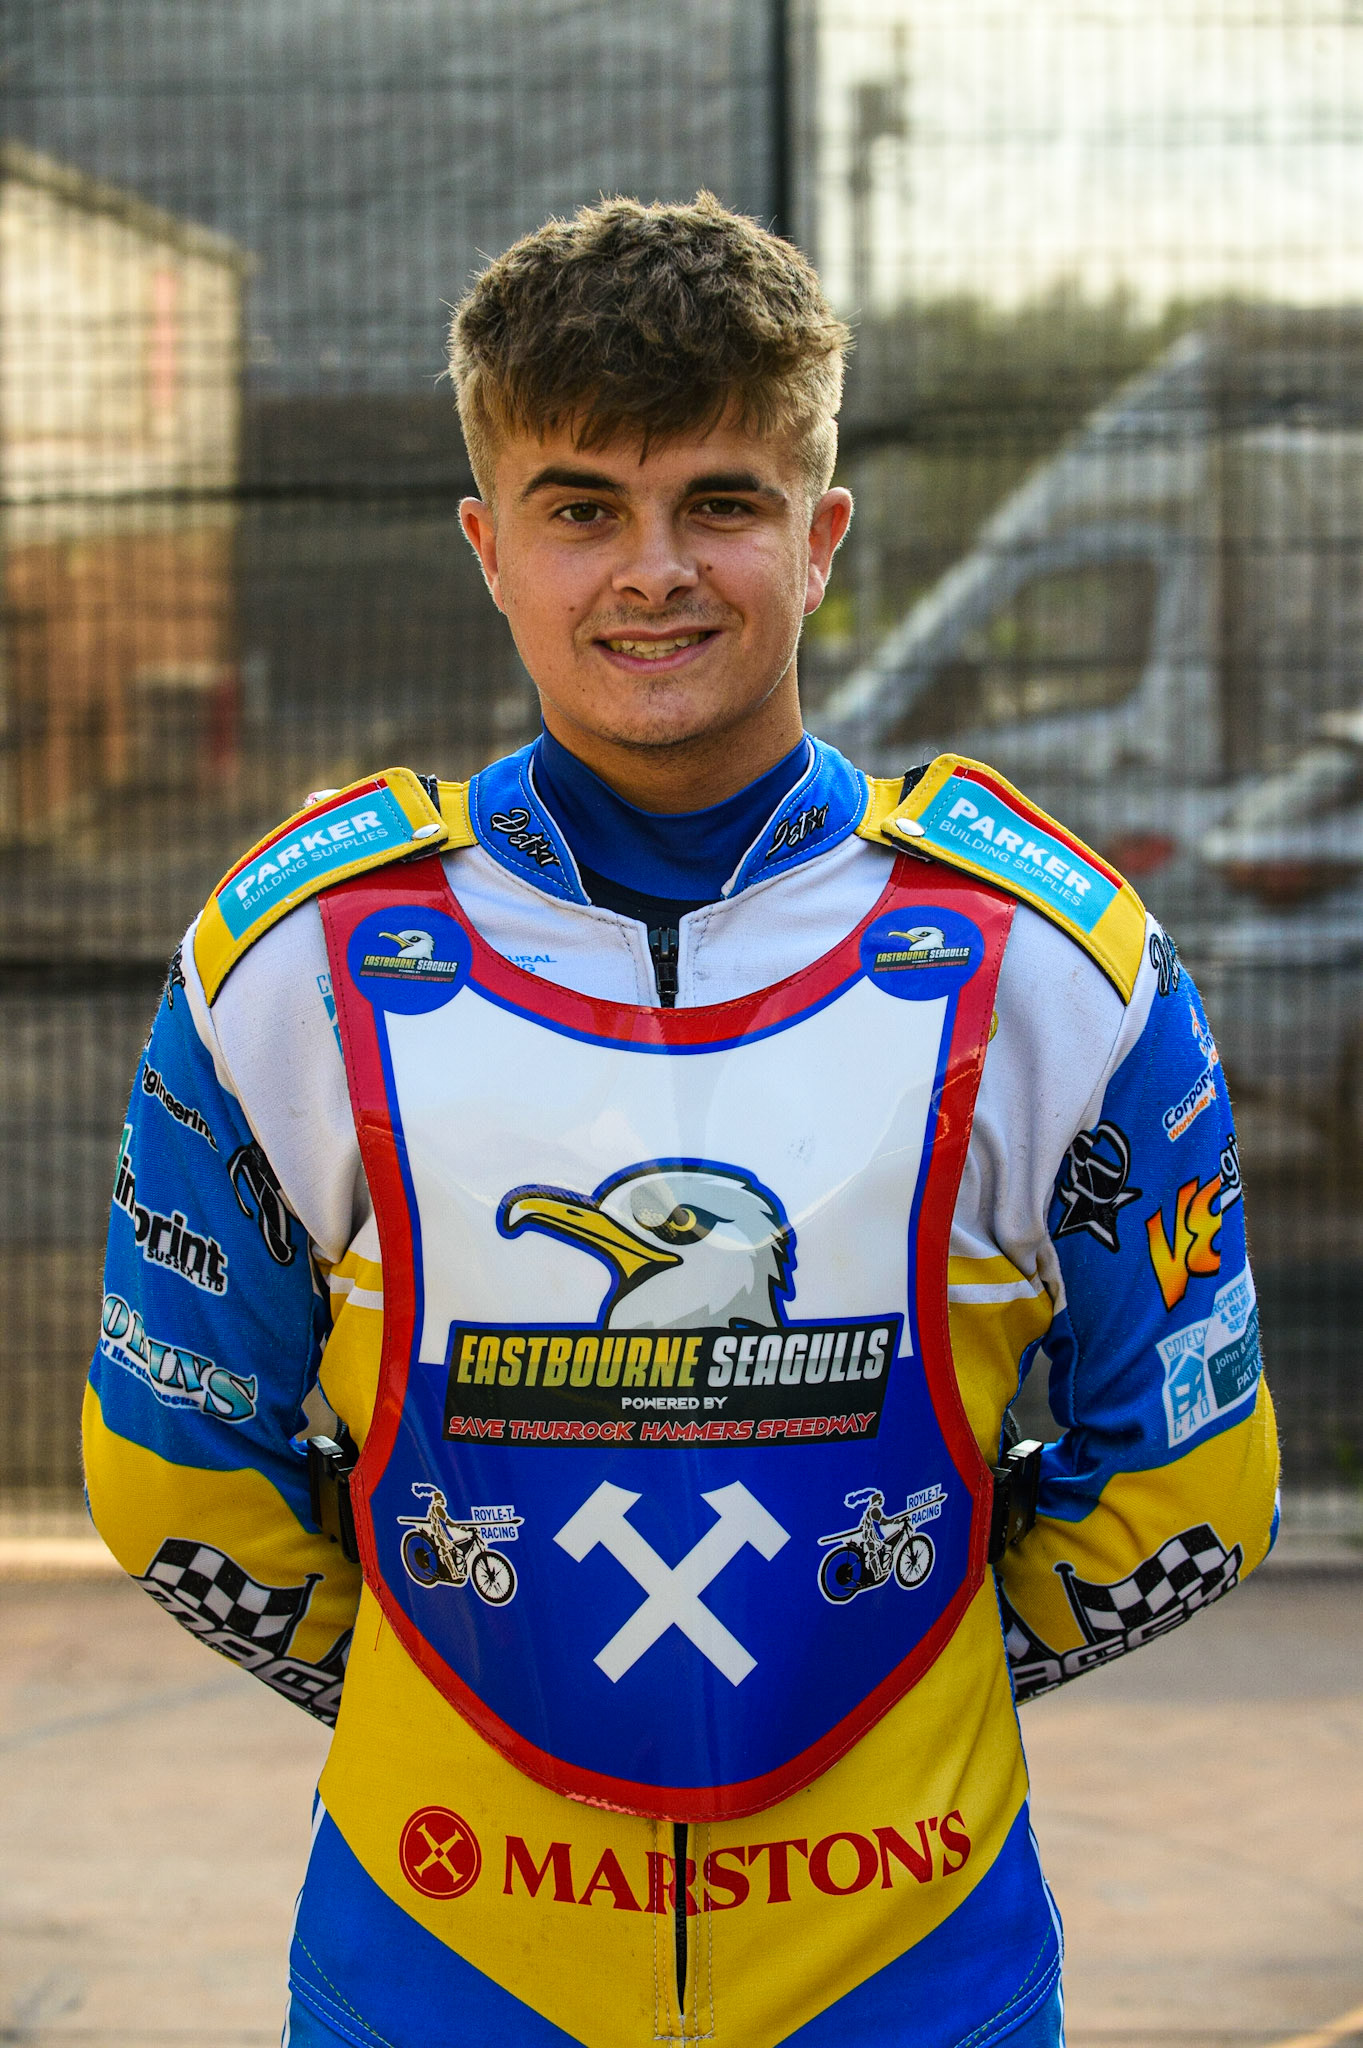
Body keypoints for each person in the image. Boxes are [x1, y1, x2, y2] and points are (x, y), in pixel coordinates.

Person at [84, 193, 1278, 2048]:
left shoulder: (1058, 966)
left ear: (824, 538)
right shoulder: (293, 964)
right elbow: (174, 1468)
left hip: (915, 1969)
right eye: (583, 508)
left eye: (721, 501)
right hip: (439, 1963)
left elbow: (1192, 1476)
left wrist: (900, 1684)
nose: (655, 569)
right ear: (489, 545)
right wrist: (448, 1700)